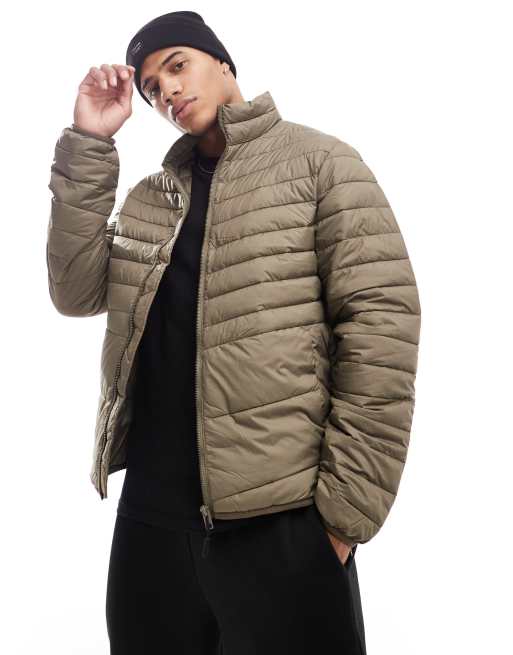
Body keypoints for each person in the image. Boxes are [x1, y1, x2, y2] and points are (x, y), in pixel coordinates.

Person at [46, 10, 421, 655]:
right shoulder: (150, 199)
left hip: (280, 525)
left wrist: (342, 518)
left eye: (178, 66)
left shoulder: (321, 164)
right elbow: (74, 291)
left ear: (222, 62)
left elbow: (381, 328)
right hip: (152, 526)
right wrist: (89, 143)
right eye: (152, 88)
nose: (168, 91)